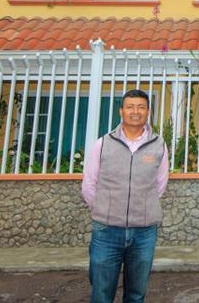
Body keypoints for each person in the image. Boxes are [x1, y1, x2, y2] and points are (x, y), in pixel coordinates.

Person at [82, 89, 169, 303]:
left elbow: (160, 184)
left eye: (141, 107)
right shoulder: (102, 144)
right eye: (130, 107)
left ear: (148, 111)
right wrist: (104, 209)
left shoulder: (159, 145)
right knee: (101, 293)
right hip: (106, 231)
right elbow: (89, 184)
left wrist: (143, 206)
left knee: (136, 294)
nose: (135, 112)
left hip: (144, 232)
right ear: (121, 111)